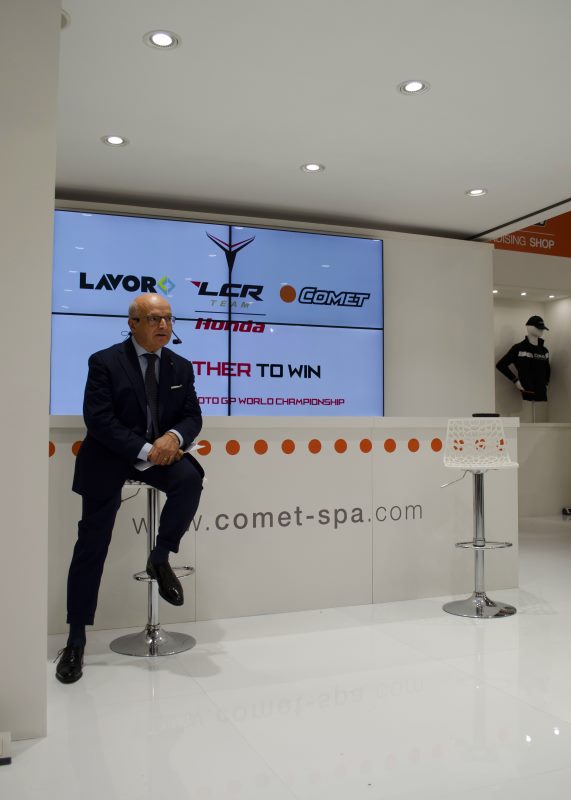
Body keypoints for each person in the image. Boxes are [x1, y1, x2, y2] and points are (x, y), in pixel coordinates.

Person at [56, 293, 204, 684]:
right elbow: (99, 420)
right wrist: (146, 449)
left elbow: (192, 416)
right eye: (154, 319)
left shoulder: (180, 366)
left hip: (159, 455)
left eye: (168, 318)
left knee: (190, 480)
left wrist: (173, 437)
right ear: (133, 323)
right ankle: (75, 641)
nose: (163, 325)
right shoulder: (104, 361)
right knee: (91, 546)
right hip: (109, 457)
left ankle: (160, 556)